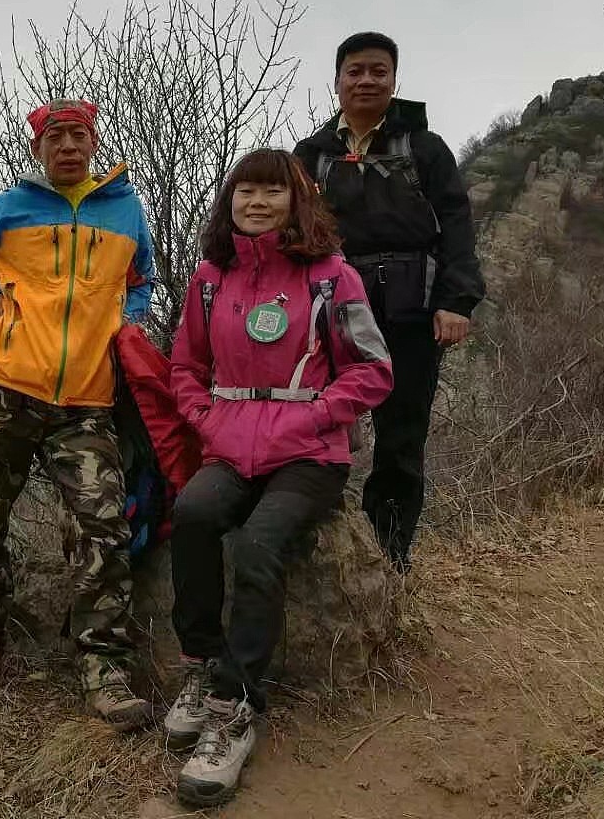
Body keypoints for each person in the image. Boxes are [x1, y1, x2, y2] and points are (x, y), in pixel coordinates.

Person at [165, 149, 393, 807]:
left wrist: (316, 416)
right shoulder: (211, 279)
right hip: (230, 446)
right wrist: (205, 419)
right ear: (229, 201)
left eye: (272, 191)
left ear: (297, 200)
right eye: (246, 191)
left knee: (258, 543)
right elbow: (186, 366)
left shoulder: (332, 277)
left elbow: (374, 369)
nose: (257, 203)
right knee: (194, 516)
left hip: (310, 454)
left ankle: (234, 706)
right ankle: (201, 665)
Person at [0, 98, 156, 727]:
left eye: (78, 135)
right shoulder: (12, 206)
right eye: (56, 137)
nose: (68, 146)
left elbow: (141, 280)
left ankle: (104, 666)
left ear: (94, 143)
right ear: (38, 148)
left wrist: (126, 328)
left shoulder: (125, 208)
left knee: (103, 527)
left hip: (86, 398)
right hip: (6, 385)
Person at [294, 32, 486, 571]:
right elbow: (291, 232)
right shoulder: (312, 156)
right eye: (355, 71)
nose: (366, 80)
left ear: (394, 80)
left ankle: (388, 559)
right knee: (317, 424)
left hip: (413, 311)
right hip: (331, 312)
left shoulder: (425, 148)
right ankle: (317, 547)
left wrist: (457, 301)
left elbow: (457, 226)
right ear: (336, 82)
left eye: (378, 71)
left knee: (401, 436)